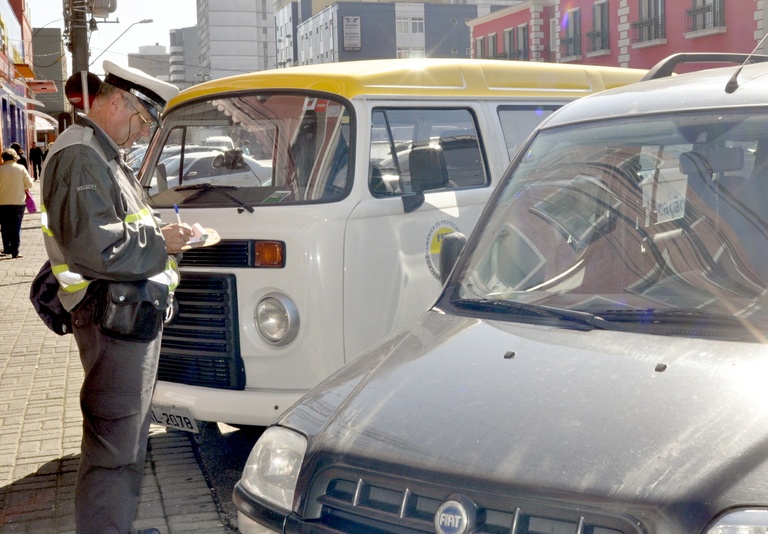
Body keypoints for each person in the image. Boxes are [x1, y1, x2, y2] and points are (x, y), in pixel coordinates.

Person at [40, 60, 193, 534]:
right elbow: (96, 248)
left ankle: (115, 525)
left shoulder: (99, 152)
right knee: (114, 445)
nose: (142, 133)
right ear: (116, 103)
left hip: (124, 313)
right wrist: (162, 242)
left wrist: (160, 234)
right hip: (111, 317)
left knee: (125, 438)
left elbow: (117, 227)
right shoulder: (82, 156)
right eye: (142, 121)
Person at [0, 147, 33, 258]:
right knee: (16, 226)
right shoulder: (21, 168)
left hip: (2, 202)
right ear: (15, 157)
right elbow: (29, 184)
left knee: (4, 226)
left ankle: (6, 248)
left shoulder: (0, 169)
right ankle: (15, 251)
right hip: (18, 202)